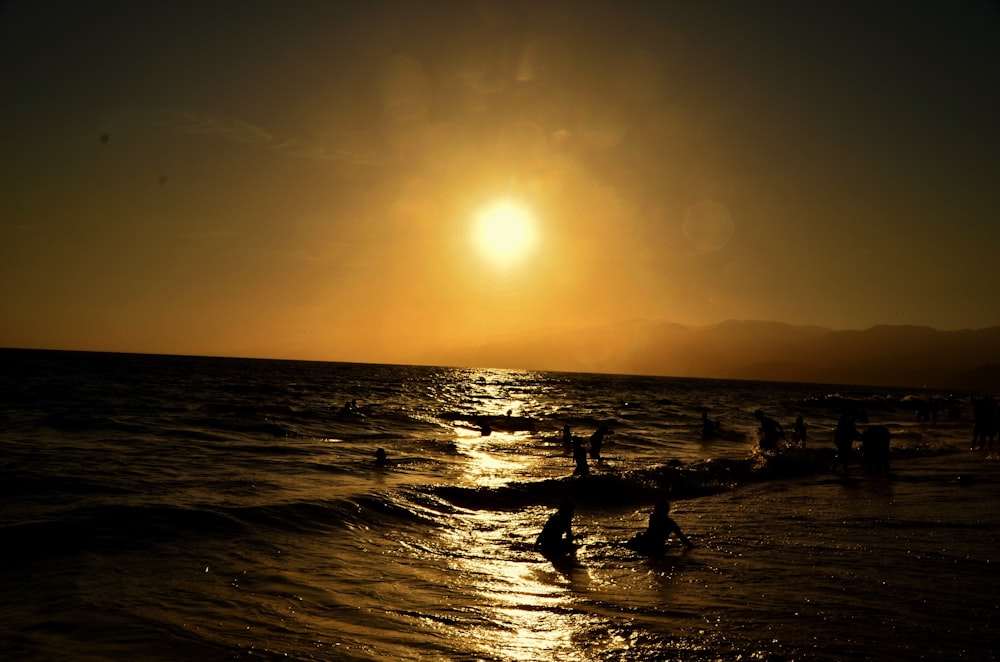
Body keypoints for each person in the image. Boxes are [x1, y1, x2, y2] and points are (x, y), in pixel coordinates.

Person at [626, 499, 693, 554]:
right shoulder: (667, 522)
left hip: (651, 546)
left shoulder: (656, 519)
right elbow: (683, 538)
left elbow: (682, 538)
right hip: (653, 546)